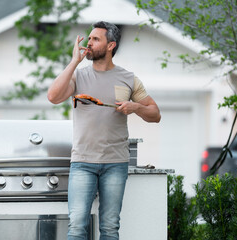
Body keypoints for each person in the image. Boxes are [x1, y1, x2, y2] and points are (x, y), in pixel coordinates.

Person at [47, 21, 161, 240]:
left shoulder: (129, 79)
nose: (89, 43)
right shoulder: (78, 76)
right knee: (77, 226)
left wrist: (135, 107)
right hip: (82, 162)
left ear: (111, 45)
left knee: (110, 228)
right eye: (89, 38)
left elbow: (155, 114)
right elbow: (53, 96)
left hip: (115, 164)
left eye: (95, 39)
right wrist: (73, 62)